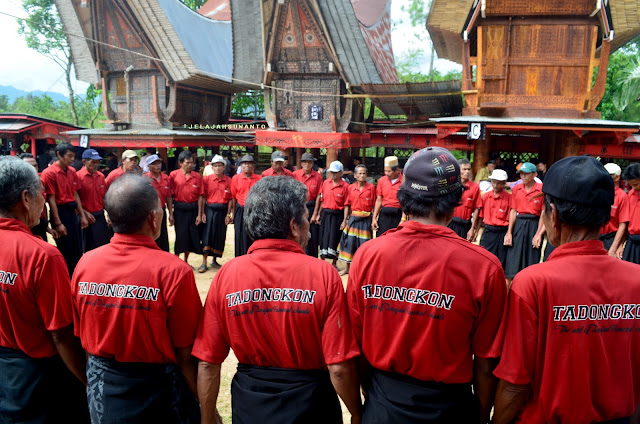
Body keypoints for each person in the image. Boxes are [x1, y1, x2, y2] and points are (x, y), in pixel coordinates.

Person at [347, 147, 507, 424]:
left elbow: (356, 345)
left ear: (404, 198)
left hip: (384, 403)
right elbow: (485, 362)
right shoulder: (484, 267)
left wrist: (370, 400)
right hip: (449, 408)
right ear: (455, 200)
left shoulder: (368, 255)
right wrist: (481, 416)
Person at [193, 176, 362, 424]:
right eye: (305, 218)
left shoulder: (227, 275)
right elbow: (338, 366)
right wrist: (357, 413)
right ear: (294, 226)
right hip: (310, 405)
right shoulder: (322, 274)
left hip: (251, 404)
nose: (308, 225)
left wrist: (207, 419)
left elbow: (208, 363)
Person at [493, 155, 640, 424]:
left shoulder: (533, 283)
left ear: (553, 214)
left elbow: (515, 381)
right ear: (605, 215)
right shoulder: (637, 280)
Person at [71, 174, 203, 423]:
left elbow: (84, 338)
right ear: (154, 218)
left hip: (104, 387)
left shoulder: (86, 264)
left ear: (108, 218)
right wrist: (205, 408)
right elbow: (186, 353)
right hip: (158, 390)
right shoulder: (173, 271)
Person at [0, 156, 88, 423]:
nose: (43, 202)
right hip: (36, 374)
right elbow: (61, 333)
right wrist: (87, 380)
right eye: (41, 194)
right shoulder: (42, 256)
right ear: (26, 199)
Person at [40, 142, 88, 276]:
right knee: (65, 248)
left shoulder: (72, 171)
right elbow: (51, 199)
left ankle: (76, 276)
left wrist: (82, 215)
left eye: (74, 156)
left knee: (77, 247)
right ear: (59, 155)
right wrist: (58, 223)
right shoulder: (49, 173)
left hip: (73, 212)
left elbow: (75, 194)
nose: (72, 159)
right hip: (60, 212)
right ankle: (64, 277)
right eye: (69, 156)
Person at [504, 161, 545, 282]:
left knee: (531, 257)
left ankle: (528, 288)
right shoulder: (516, 188)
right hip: (519, 223)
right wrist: (509, 232)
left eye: (526, 174)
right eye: (521, 173)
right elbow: (513, 210)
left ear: (535, 174)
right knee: (513, 258)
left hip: (534, 223)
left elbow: (543, 213)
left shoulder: (541, 189)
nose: (523, 176)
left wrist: (538, 234)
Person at [338, 164, 376, 275]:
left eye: (364, 173)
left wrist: (374, 219)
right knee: (350, 243)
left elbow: (374, 205)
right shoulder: (350, 188)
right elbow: (347, 205)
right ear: (355, 175)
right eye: (360, 173)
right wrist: (345, 220)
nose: (362, 175)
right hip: (353, 220)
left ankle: (363, 270)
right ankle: (347, 268)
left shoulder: (371, 188)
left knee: (364, 245)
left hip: (366, 220)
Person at [170, 150, 205, 265]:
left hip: (193, 209)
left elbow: (200, 196)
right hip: (179, 210)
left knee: (191, 235)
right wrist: (171, 213)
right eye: (187, 163)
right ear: (180, 163)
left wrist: (200, 214)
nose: (190, 165)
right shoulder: (173, 175)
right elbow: (170, 195)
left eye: (192, 163)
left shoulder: (197, 177)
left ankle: (186, 261)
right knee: (180, 235)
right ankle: (176, 260)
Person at [313, 160, 349, 269]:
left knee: (335, 238)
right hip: (325, 214)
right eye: (331, 172)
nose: (333, 174)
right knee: (324, 237)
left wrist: (345, 220)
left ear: (341, 173)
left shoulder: (346, 186)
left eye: (335, 172)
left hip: (337, 215)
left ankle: (334, 262)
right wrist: (318, 214)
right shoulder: (325, 183)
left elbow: (347, 204)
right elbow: (322, 200)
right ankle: (322, 261)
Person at [473, 169, 511, 269]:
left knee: (500, 259)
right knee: (484, 257)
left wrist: (509, 233)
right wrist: (476, 231)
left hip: (502, 232)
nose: (495, 185)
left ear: (503, 183)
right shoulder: (486, 196)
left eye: (498, 183)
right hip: (488, 231)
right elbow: (481, 216)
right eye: (493, 182)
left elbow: (511, 216)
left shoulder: (509, 198)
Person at [201, 155, 233, 271]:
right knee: (207, 234)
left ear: (224, 167)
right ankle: (204, 262)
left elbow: (231, 199)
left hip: (222, 210)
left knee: (219, 235)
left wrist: (228, 214)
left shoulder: (229, 181)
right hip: (209, 210)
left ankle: (214, 260)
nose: (218, 168)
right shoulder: (206, 180)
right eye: (215, 166)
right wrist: (202, 213)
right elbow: (203, 197)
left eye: (220, 165)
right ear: (212, 167)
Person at [77, 149, 112, 251]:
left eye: (97, 162)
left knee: (103, 245)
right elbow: (75, 199)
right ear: (84, 162)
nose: (96, 165)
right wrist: (84, 213)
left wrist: (110, 214)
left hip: (99, 216)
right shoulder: (78, 177)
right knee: (87, 248)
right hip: (85, 218)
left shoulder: (101, 176)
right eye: (93, 162)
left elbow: (104, 197)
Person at [230, 154, 261, 256]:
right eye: (244, 164)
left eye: (249, 164)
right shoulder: (235, 178)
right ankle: (240, 256)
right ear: (241, 166)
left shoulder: (259, 179)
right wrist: (233, 213)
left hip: (254, 210)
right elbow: (233, 197)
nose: (247, 166)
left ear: (253, 166)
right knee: (239, 234)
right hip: (240, 209)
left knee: (253, 234)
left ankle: (253, 256)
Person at [293, 152, 323, 258]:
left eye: (309, 162)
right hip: (299, 207)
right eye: (305, 162)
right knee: (298, 233)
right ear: (301, 164)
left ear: (312, 163)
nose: (307, 164)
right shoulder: (295, 175)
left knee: (313, 236)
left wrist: (315, 214)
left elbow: (319, 196)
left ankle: (313, 258)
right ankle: (299, 256)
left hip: (311, 207)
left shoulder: (317, 176)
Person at [20, 153, 55, 240]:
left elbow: (44, 206)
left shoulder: (40, 184)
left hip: (39, 223)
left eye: (35, 166)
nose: (33, 169)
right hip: (25, 225)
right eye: (29, 166)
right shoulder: (16, 189)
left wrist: (47, 226)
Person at [598, 163, 630, 257]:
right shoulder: (599, 192)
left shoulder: (622, 196)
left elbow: (622, 224)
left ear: (617, 177)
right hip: (596, 237)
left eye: (610, 175)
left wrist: (613, 248)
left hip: (611, 238)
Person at [144, 154, 174, 252]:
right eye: (154, 164)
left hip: (161, 211)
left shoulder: (166, 178)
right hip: (149, 212)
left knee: (163, 235)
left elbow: (169, 197)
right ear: (149, 166)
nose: (158, 166)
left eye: (159, 163)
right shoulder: (144, 179)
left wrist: (171, 213)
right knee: (150, 235)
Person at [448, 158, 482, 240]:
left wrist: (472, 229)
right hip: (450, 222)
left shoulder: (475, 187)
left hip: (465, 224)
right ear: (458, 170)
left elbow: (477, 209)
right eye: (464, 169)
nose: (467, 171)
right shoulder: (451, 184)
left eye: (468, 169)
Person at [372, 155, 404, 236]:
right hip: (384, 214)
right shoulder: (382, 181)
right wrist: (374, 218)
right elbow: (379, 200)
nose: (386, 173)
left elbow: (405, 202)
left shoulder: (404, 182)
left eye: (389, 171)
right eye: (385, 171)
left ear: (397, 170)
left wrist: (403, 219)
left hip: (398, 214)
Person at [621, 162, 640, 263]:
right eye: (631, 185)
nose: (633, 188)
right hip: (632, 240)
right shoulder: (631, 194)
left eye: (636, 184)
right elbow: (626, 220)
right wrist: (621, 244)